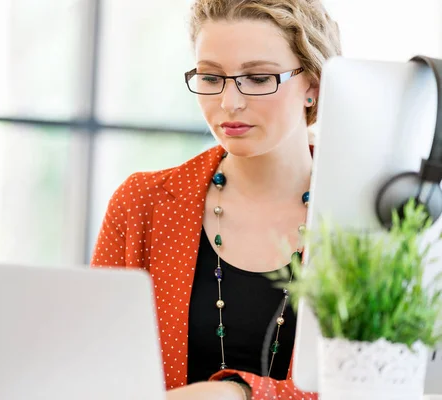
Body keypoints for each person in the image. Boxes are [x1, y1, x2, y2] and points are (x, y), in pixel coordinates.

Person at [91, 0, 341, 398]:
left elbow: (380, 385)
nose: (230, 103)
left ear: (312, 85)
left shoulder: (365, 218)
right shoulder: (143, 203)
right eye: (210, 77)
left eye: (258, 78)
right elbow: (92, 368)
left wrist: (238, 395)